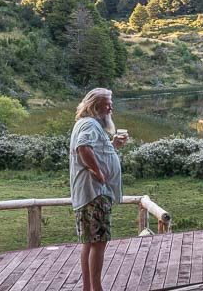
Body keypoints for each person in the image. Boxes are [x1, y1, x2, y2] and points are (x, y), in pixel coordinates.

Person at [69, 88, 128, 291]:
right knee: (99, 242)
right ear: (95, 106)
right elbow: (83, 147)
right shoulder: (90, 124)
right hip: (95, 194)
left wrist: (112, 145)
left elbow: (91, 147)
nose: (111, 107)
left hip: (88, 194)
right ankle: (97, 288)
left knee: (89, 241)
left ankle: (88, 288)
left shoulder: (86, 123)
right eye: (107, 103)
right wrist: (99, 173)